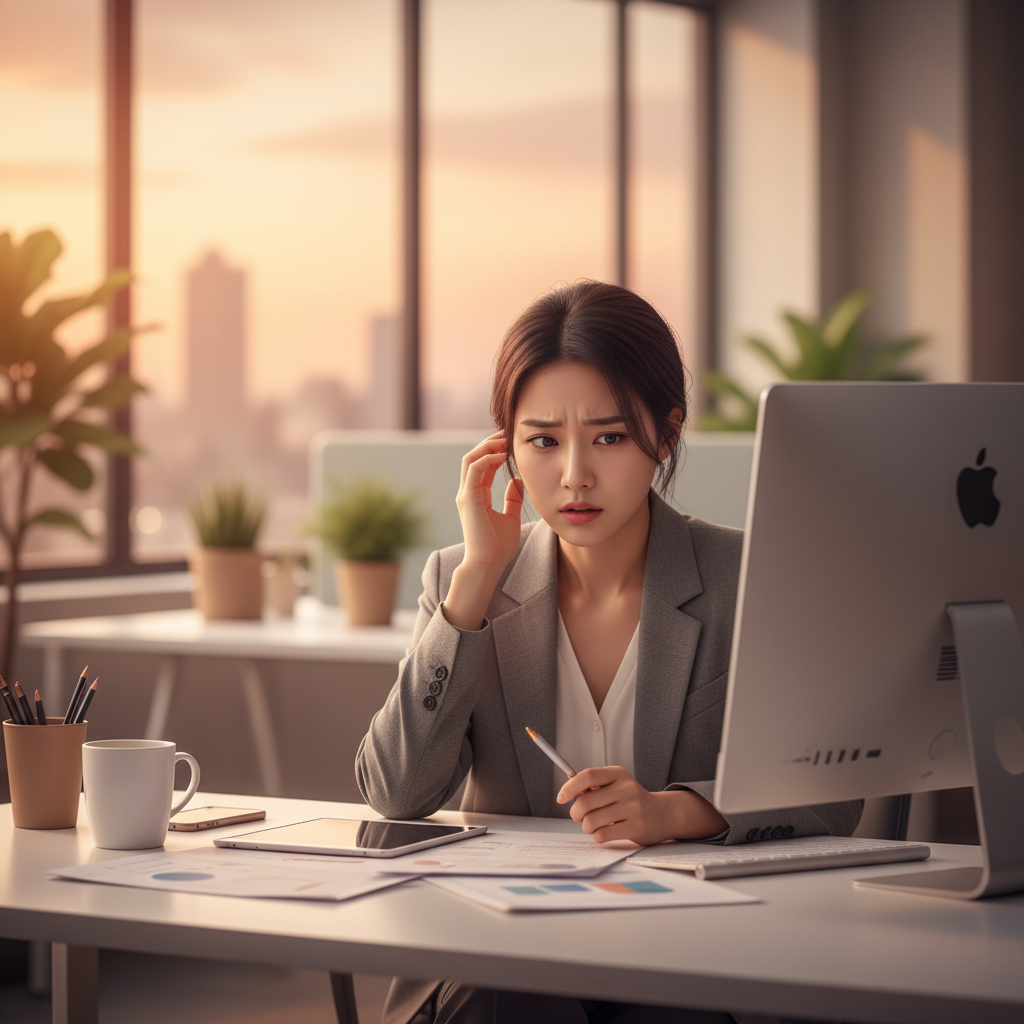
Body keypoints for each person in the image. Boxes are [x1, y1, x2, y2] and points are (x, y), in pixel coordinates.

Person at [356, 281, 862, 1024]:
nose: (574, 476)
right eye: (542, 441)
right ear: (503, 450)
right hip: (507, 951)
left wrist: (673, 812)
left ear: (667, 433)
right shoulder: (461, 581)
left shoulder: (748, 576)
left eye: (610, 437)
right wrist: (474, 584)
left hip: (687, 947)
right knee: (511, 996)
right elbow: (394, 793)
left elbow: (831, 794)